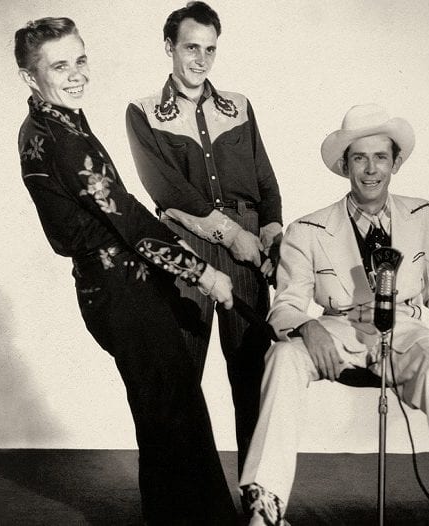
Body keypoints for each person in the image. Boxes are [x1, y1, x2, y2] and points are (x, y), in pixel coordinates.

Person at [15, 17, 237, 524]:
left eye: (80, 59)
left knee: (170, 412)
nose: (75, 75)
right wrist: (202, 272)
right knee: (170, 414)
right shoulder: (58, 136)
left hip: (121, 286)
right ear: (31, 77)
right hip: (119, 293)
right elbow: (129, 222)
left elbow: (117, 209)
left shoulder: (59, 121)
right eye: (59, 66)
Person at [238, 104, 429, 526]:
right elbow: (286, 305)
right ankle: (265, 507)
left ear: (395, 161)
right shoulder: (307, 230)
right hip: (337, 331)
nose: (371, 169)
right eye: (359, 158)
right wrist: (307, 327)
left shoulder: (424, 215)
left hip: (406, 332)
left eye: (381, 157)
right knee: (283, 358)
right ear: (345, 165)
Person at [125, 1, 282, 474]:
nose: (200, 59)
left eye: (210, 50)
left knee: (251, 376)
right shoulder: (144, 113)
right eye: (191, 47)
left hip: (249, 252)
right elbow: (165, 189)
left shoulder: (239, 106)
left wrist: (271, 233)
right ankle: (180, 503)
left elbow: (266, 182)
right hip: (185, 252)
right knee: (179, 377)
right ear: (169, 47)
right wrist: (231, 233)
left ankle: (260, 498)